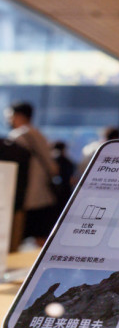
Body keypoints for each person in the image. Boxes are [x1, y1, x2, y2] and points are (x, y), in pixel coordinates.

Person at [4, 101, 59, 244]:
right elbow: (53, 168)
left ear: (19, 116)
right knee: (41, 238)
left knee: (15, 238)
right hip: (43, 195)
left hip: (24, 197)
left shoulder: (17, 136)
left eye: (10, 116)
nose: (8, 120)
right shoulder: (39, 134)